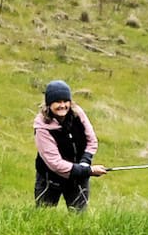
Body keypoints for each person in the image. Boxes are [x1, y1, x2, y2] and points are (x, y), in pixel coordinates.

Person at [33, 80, 107, 211]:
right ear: (49, 104)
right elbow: (55, 163)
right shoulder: (42, 127)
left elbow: (92, 140)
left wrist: (85, 162)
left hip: (78, 179)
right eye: (57, 102)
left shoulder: (77, 114)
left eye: (65, 101)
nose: (62, 105)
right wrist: (88, 170)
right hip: (50, 180)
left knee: (79, 220)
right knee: (43, 218)